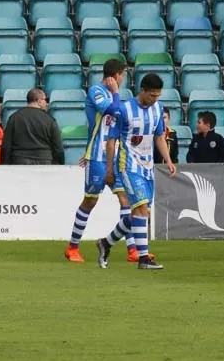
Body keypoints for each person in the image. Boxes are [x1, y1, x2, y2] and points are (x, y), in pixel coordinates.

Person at [96, 73, 177, 270]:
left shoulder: (157, 109)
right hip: (128, 165)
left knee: (139, 213)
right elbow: (111, 141)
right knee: (141, 210)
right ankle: (143, 259)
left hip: (147, 166)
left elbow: (159, 137)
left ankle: (106, 242)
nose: (155, 99)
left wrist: (168, 160)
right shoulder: (123, 110)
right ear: (142, 91)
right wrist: (109, 169)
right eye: (152, 95)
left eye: (158, 96)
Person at [65, 59, 130, 263]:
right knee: (90, 201)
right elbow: (112, 111)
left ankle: (133, 250)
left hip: (115, 156)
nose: (123, 79)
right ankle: (72, 247)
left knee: (126, 199)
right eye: (123, 75)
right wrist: (116, 93)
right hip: (97, 157)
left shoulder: (115, 96)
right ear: (116, 75)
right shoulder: (96, 91)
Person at [0, 88, 65, 165]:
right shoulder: (49, 120)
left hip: (19, 161)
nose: (46, 103)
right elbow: (58, 148)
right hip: (44, 161)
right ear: (39, 101)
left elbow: (6, 146)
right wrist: (58, 165)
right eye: (45, 100)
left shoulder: (14, 117)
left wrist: (5, 164)